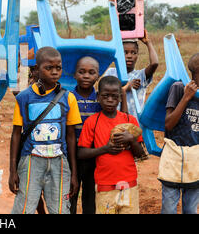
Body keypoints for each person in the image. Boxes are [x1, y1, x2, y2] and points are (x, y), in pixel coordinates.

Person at [9, 47, 82, 214]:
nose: (55, 72)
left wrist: (73, 173)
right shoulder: (23, 98)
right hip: (31, 161)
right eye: (49, 68)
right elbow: (15, 136)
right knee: (24, 209)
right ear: (36, 69)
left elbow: (71, 137)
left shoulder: (68, 98)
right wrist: (13, 171)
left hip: (59, 162)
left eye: (58, 68)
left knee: (60, 210)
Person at [78, 76, 145, 214]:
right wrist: (105, 149)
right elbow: (81, 153)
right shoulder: (92, 122)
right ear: (98, 97)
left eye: (114, 97)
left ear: (120, 98)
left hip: (129, 185)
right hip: (105, 186)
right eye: (105, 96)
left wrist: (131, 139)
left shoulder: (129, 121)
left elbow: (142, 154)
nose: (109, 100)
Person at [161, 53, 199, 214]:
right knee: (169, 209)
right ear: (196, 72)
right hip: (173, 157)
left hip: (195, 160)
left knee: (190, 209)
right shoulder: (178, 87)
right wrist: (186, 97)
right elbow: (168, 124)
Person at [69, 56, 102, 214]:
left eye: (91, 72)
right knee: (71, 193)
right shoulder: (68, 97)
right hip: (72, 153)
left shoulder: (101, 99)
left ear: (98, 75)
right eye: (81, 72)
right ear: (74, 75)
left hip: (93, 154)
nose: (86, 76)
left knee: (90, 196)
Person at [104, 29, 158, 118]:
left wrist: (148, 42)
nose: (129, 56)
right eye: (125, 52)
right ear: (119, 53)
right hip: (113, 121)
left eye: (133, 53)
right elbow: (105, 92)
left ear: (137, 55)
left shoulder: (140, 76)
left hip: (134, 123)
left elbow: (154, 63)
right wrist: (126, 88)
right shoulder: (111, 73)